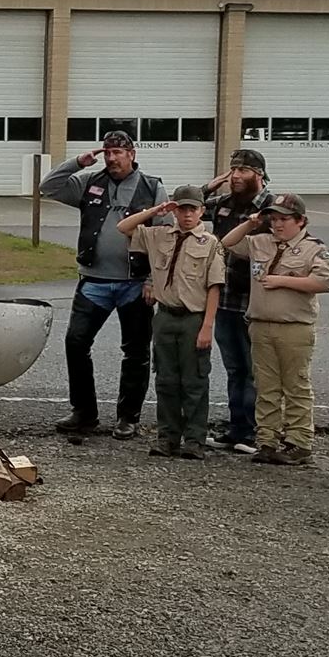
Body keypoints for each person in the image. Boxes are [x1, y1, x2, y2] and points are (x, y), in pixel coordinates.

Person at [39, 130, 163, 439]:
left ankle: (128, 417)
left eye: (117, 152)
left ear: (131, 154)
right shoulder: (90, 182)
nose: (111, 158)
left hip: (135, 284)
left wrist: (152, 279)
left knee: (135, 351)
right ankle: (84, 412)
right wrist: (77, 162)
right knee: (76, 343)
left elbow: (163, 238)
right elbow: (48, 187)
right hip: (94, 281)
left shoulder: (152, 187)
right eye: (107, 152)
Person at [219, 193, 329, 466]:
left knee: (295, 386)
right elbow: (227, 243)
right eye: (274, 218)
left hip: (293, 326)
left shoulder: (313, 248)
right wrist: (250, 223)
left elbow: (323, 281)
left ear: (301, 221)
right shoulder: (261, 242)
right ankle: (267, 440)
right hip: (260, 324)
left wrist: (283, 281)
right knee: (266, 387)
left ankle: (298, 442)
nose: (278, 225)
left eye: (284, 219)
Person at [118, 184, 223, 459]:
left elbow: (214, 286)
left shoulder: (210, 243)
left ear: (201, 211)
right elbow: (124, 227)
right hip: (165, 317)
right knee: (166, 380)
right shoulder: (159, 235)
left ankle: (195, 440)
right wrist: (156, 210)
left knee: (194, 381)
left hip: (193, 318)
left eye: (192, 209)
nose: (187, 215)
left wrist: (208, 325)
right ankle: (167, 438)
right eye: (182, 208)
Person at [201, 148, 270, 454]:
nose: (237, 177)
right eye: (233, 171)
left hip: (255, 301)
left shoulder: (271, 206)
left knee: (255, 369)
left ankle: (255, 431)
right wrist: (213, 184)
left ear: (259, 175)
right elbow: (188, 205)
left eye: (243, 171)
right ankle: (237, 428)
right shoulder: (223, 204)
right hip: (225, 299)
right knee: (234, 368)